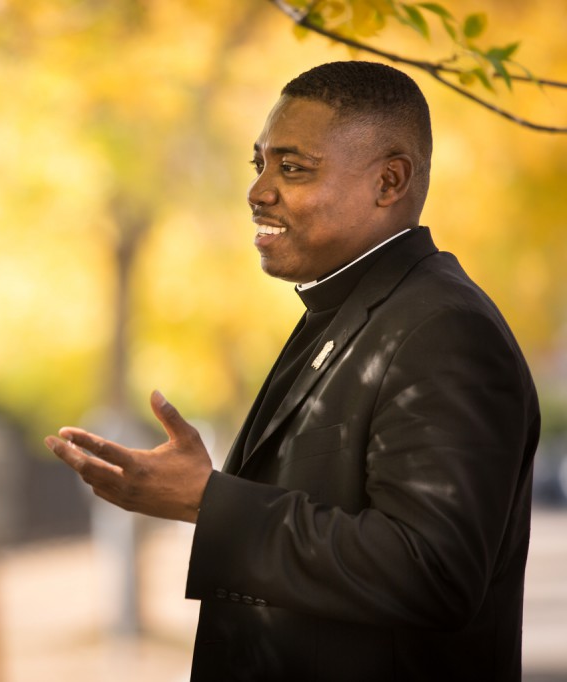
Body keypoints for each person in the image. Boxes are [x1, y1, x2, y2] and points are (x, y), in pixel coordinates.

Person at [45, 61, 539, 681]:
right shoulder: (347, 310)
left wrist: (208, 501)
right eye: (260, 165)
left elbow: (431, 570)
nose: (258, 191)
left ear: (389, 182)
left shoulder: (443, 330)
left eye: (293, 167)